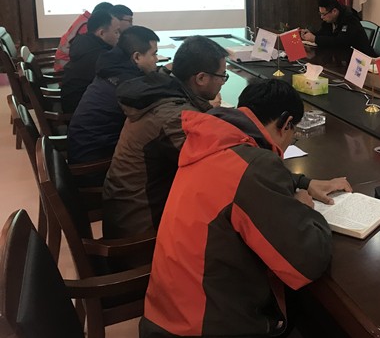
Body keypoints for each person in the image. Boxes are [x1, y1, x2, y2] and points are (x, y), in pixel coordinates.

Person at [140, 79, 352, 338]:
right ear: (286, 123)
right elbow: (308, 261)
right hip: (205, 326)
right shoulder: (255, 167)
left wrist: (303, 183)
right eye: (293, 133)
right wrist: (307, 209)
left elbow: (243, 176)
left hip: (166, 313)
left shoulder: (210, 140)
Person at [102, 35, 228, 238]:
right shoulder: (173, 116)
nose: (223, 82)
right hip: (141, 228)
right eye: (222, 76)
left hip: (128, 209)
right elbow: (214, 168)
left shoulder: (162, 92)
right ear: (201, 78)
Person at [68, 26, 160, 165]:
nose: (157, 59)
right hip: (95, 163)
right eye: (154, 54)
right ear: (136, 57)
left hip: (85, 148)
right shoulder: (128, 86)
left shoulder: (113, 68)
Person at [60, 9, 121, 113]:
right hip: (81, 110)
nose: (119, 36)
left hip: (72, 101)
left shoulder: (83, 42)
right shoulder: (100, 55)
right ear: (102, 33)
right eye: (116, 32)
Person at [300, 0, 375, 56]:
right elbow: (323, 34)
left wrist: (315, 39)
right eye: (320, 14)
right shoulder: (330, 20)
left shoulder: (349, 19)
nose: (321, 17)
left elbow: (340, 42)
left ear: (334, 11)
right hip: (342, 57)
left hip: (364, 60)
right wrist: (311, 34)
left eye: (324, 14)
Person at [54, 1, 113, 72]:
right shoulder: (86, 25)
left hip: (70, 63)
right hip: (65, 68)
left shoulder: (85, 19)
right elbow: (89, 51)